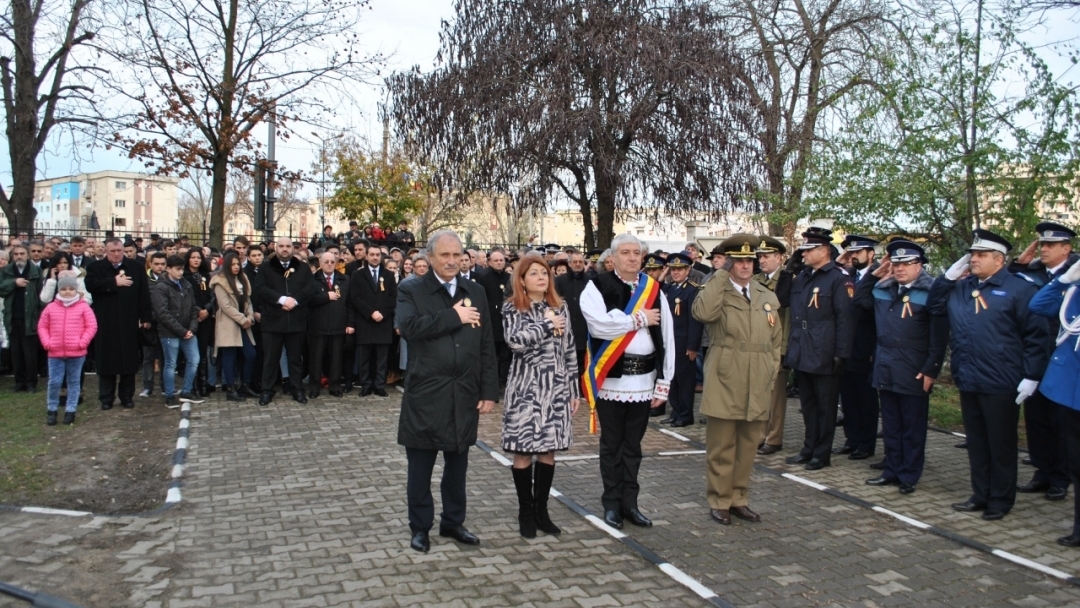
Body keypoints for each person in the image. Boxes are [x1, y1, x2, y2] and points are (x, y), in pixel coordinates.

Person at [929, 229, 1049, 521]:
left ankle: (1000, 499)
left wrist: (1032, 375)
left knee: (1001, 444)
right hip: (969, 376)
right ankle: (980, 494)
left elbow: (1037, 337)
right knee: (978, 442)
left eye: (980, 255)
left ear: (999, 259)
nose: (973, 259)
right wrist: (947, 278)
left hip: (1002, 380)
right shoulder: (961, 287)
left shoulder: (1020, 289)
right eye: (972, 254)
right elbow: (933, 307)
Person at [396, 230, 498, 553]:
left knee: (457, 466)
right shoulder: (411, 289)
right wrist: (454, 316)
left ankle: (453, 522)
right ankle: (420, 528)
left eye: (457, 255)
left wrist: (489, 390)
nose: (452, 261)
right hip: (426, 393)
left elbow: (486, 345)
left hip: (464, 393)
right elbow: (409, 328)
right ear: (429, 257)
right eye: (445, 255)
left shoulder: (476, 291)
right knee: (421, 467)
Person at [581, 234, 675, 530]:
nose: (633, 258)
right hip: (611, 380)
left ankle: (630, 504)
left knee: (633, 446)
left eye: (637, 253)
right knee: (612, 445)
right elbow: (599, 326)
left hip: (645, 380)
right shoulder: (596, 286)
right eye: (626, 252)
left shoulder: (654, 288)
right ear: (613, 257)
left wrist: (665, 380)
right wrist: (638, 319)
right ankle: (611, 503)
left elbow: (668, 335)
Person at [692, 235, 783, 525]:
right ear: (729, 263)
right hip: (726, 372)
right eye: (739, 261)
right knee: (722, 444)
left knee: (748, 443)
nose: (745, 266)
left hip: (758, 374)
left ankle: (739, 498)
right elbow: (703, 314)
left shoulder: (765, 293)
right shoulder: (716, 289)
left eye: (749, 260)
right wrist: (720, 274)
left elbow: (776, 340)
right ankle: (719, 500)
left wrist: (771, 369)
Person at [854, 241, 947, 494]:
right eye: (896, 264)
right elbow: (859, 299)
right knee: (892, 425)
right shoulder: (883, 289)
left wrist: (931, 369)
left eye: (907, 264)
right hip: (886, 363)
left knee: (912, 426)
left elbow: (939, 338)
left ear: (920, 266)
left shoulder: (931, 292)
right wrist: (875, 274)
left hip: (914, 366)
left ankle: (909, 474)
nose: (900, 269)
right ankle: (892, 470)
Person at [502, 255, 580, 538]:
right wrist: (547, 325)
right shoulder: (512, 308)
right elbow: (515, 341)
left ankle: (541, 510)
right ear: (521, 279)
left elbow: (569, 349)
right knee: (523, 451)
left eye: (544, 273)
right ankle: (525, 512)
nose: (541, 278)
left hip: (556, 388)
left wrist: (574, 389)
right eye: (533, 273)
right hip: (526, 389)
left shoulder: (561, 307)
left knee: (548, 450)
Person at [1010, 222, 1078, 501]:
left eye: (1051, 245)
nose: (1044, 249)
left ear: (1067, 249)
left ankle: (1061, 477)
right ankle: (1042, 470)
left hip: (1061, 358)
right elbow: (1012, 289)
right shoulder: (1033, 272)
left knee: (1060, 421)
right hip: (1034, 355)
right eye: (1042, 244)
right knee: (1036, 419)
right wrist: (1019, 264)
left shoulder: (1073, 275)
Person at [784, 227, 855, 471]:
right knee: (808, 404)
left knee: (826, 407)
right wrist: (790, 268)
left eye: (808, 250)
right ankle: (808, 447)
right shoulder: (803, 277)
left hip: (825, 348)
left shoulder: (838, 277)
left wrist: (841, 352)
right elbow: (783, 298)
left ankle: (822, 453)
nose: (803, 254)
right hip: (803, 346)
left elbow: (845, 318)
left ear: (823, 251)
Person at [1028, 259, 1080, 546]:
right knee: (1077, 465)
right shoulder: (1074, 292)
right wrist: (1064, 279)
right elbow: (1039, 305)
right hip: (1071, 388)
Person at [84, 238, 154, 409]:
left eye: (119, 251)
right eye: (112, 252)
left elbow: (144, 294)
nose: (116, 255)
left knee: (128, 361)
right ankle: (106, 398)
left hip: (129, 321)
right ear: (106, 252)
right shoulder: (96, 267)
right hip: (105, 321)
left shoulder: (136, 267)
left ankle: (126, 397)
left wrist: (146, 318)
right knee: (107, 361)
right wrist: (113, 283)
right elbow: (91, 285)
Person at [254, 237, 318, 405]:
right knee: (270, 358)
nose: (284, 249)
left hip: (296, 320)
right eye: (281, 246)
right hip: (273, 320)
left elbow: (310, 288)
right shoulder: (266, 268)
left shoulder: (303, 268)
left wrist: (294, 301)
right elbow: (261, 288)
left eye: (288, 246)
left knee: (295, 358)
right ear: (276, 248)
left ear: (292, 249)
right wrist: (281, 300)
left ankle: (297, 389)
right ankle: (267, 390)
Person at [835, 235, 880, 461]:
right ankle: (851, 439)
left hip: (867, 347)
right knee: (849, 399)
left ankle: (866, 443)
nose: (853, 256)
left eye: (858, 253)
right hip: (847, 347)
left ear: (871, 253)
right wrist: (839, 263)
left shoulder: (881, 276)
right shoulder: (847, 276)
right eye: (850, 253)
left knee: (866, 400)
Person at [37, 272, 97, 425]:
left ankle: (71, 410)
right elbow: (42, 326)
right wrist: (47, 342)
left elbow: (91, 326)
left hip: (76, 351)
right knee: (54, 382)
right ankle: (52, 409)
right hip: (55, 351)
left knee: (74, 381)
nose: (67, 292)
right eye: (64, 289)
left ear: (76, 290)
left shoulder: (83, 307)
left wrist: (82, 342)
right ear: (59, 290)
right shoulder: (51, 308)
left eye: (71, 288)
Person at [753, 236, 792, 455]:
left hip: (776, 346)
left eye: (766, 256)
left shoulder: (787, 280)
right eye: (760, 256)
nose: (762, 260)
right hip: (757, 345)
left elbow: (788, 318)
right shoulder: (756, 280)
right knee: (760, 394)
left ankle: (774, 437)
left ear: (779, 258)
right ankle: (759, 435)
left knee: (775, 397)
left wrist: (785, 350)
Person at [151, 256, 206, 408]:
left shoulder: (186, 284)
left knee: (194, 360)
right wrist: (182, 331)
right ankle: (169, 395)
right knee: (170, 364)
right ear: (168, 269)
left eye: (182, 268)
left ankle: (186, 391)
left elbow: (193, 308)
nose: (180, 272)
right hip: (170, 332)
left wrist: (192, 328)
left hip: (187, 331)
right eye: (177, 269)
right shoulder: (161, 287)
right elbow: (163, 314)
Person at [660, 252, 703, 427]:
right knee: (672, 378)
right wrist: (663, 275)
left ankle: (686, 415)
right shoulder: (669, 288)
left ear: (688, 270)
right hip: (669, 342)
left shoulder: (693, 290)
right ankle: (675, 412)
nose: (676, 273)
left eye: (680, 269)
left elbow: (695, 320)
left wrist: (692, 346)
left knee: (685, 381)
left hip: (684, 343)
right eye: (673, 269)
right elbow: (655, 291)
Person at [350, 244, 397, 397]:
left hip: (383, 321)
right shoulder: (358, 275)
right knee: (364, 356)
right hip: (365, 321)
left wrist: (382, 313)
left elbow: (393, 298)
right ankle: (366, 385)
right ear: (367, 256)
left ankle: (379, 385)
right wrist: (371, 312)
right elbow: (355, 298)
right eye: (372, 255)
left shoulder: (388, 275)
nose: (375, 257)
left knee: (381, 357)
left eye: (378, 255)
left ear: (381, 257)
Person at [211, 251, 257, 402]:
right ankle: (230, 388)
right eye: (233, 264)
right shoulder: (220, 281)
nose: (236, 267)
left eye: (238, 264)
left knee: (250, 354)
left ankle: (245, 384)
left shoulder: (243, 279)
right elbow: (225, 306)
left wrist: (249, 316)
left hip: (244, 322)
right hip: (229, 323)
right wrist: (242, 319)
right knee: (229, 356)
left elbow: (247, 301)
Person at [308, 252, 352, 398]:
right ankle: (314, 388)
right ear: (320, 263)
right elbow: (308, 300)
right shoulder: (312, 279)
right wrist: (326, 296)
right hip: (317, 327)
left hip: (338, 326)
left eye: (332, 261)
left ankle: (335, 387)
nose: (329, 264)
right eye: (325, 261)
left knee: (336, 360)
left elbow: (349, 304)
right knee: (316, 360)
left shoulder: (344, 279)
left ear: (336, 263)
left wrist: (350, 323)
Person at [0, 244, 42, 392]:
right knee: (16, 352)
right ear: (12, 256)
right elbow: (1, 289)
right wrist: (14, 283)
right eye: (16, 254)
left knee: (30, 352)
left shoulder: (35, 271)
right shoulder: (6, 271)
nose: (19, 256)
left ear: (28, 255)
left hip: (30, 317)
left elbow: (40, 295)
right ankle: (19, 382)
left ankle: (31, 382)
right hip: (12, 317)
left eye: (22, 253)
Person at [476, 249, 513, 389]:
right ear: (489, 262)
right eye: (496, 260)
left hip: (506, 321)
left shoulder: (509, 278)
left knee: (505, 355)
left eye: (501, 260)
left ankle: (503, 383)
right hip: (490, 321)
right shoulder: (483, 277)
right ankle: (491, 384)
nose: (499, 263)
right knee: (492, 355)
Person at [183, 248, 216, 396]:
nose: (196, 260)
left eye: (198, 257)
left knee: (203, 350)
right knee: (192, 352)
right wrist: (198, 311)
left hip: (206, 317)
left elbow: (212, 296)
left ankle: (203, 384)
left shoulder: (205, 276)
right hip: (191, 317)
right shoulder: (184, 276)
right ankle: (193, 385)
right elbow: (186, 298)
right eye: (193, 257)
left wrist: (207, 309)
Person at [555, 250, 590, 377]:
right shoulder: (560, 281)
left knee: (582, 362)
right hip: (566, 326)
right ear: (569, 264)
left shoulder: (590, 280)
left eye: (580, 262)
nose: (578, 264)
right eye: (575, 262)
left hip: (584, 327)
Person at [140, 252, 167, 398]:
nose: (160, 267)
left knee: (165, 356)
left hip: (165, 324)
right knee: (148, 356)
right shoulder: (145, 279)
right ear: (150, 264)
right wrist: (145, 318)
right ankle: (147, 386)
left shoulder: (169, 279)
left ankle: (165, 385)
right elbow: (142, 301)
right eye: (157, 264)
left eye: (163, 264)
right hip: (149, 323)